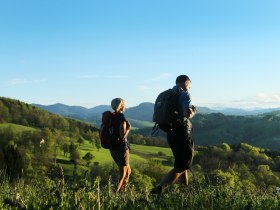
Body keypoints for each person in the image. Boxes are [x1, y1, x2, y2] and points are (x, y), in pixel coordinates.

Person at [152, 75, 197, 194]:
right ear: (185, 83)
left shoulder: (164, 94)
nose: (189, 89)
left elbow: (155, 116)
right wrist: (193, 112)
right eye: (189, 86)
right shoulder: (184, 94)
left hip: (170, 133)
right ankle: (159, 189)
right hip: (182, 132)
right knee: (182, 166)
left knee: (181, 164)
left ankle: (185, 192)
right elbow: (187, 114)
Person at [110, 98, 132, 193]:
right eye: (124, 104)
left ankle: (124, 191)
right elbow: (122, 136)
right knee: (122, 175)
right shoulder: (121, 117)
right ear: (122, 105)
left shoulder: (111, 116)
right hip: (121, 148)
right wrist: (129, 129)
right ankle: (115, 194)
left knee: (128, 171)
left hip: (112, 148)